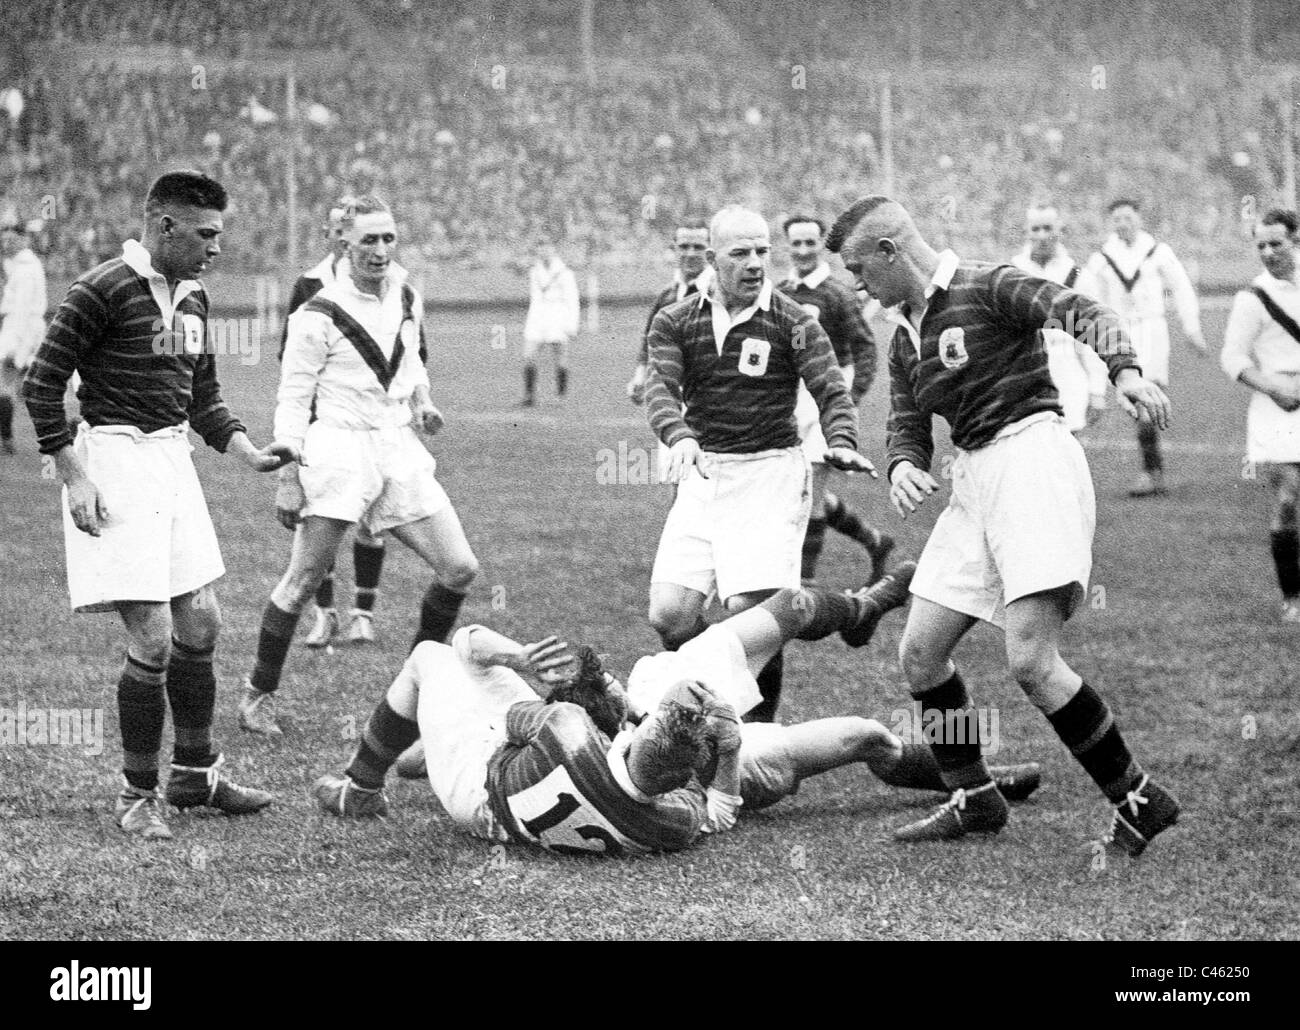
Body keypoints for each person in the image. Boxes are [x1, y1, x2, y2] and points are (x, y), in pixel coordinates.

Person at [828, 194, 1180, 856]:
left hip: (1032, 461)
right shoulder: (905, 331)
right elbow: (907, 421)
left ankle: (1138, 799)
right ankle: (975, 797)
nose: (855, 283)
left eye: (857, 268)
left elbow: (1079, 310)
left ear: (889, 251)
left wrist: (1126, 372)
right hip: (974, 482)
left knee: (1031, 662)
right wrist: (905, 464)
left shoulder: (985, 285)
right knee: (920, 653)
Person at [314, 574, 1046, 854]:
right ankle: (974, 779)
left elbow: (509, 701)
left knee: (443, 665)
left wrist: (519, 665)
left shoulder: (657, 807)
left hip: (505, 779)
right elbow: (720, 798)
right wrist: (724, 746)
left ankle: (368, 779)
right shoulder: (673, 803)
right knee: (869, 734)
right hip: (526, 776)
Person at [21, 170, 296, 840]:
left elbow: (203, 399)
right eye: (205, 234)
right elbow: (41, 382)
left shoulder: (196, 299)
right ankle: (137, 793)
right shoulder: (102, 287)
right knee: (152, 635)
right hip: (113, 462)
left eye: (219, 234)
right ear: (163, 223)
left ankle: (195, 775)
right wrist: (73, 475)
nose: (216, 247)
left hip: (174, 462)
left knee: (201, 621)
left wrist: (248, 452)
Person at [240, 195, 478, 737]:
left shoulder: (406, 295)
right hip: (337, 449)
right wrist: (287, 473)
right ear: (343, 244)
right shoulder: (315, 313)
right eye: (368, 240)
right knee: (302, 581)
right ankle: (258, 693)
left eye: (388, 238)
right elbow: (293, 399)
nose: (380, 250)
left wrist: (421, 401)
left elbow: (410, 359)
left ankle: (415, 690)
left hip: (395, 446)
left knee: (460, 567)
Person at [643, 204, 875, 727]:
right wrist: (677, 434)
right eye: (740, 253)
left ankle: (756, 732)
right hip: (705, 474)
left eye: (762, 252)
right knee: (670, 615)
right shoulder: (677, 319)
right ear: (712, 258)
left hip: (770, 473)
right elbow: (661, 388)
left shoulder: (794, 321)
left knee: (751, 610)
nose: (755, 263)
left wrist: (839, 439)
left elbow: (831, 391)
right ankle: (859, 607)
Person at [279, 198, 390, 649]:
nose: (347, 233)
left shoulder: (388, 284)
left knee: (371, 522)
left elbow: (411, 350)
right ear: (333, 236)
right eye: (339, 227)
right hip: (322, 425)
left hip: (374, 423)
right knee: (320, 524)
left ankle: (363, 613)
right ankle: (324, 615)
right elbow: (290, 358)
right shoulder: (309, 284)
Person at [779, 214, 893, 586]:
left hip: (826, 394)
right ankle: (875, 542)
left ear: (821, 243)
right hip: (791, 397)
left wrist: (849, 399)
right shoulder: (780, 292)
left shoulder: (837, 293)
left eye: (810, 242)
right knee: (798, 487)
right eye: (796, 243)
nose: (803, 250)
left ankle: (803, 582)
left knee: (810, 487)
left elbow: (864, 349)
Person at [1082, 199, 1206, 495]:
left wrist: (1192, 328)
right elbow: (1088, 297)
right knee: (1136, 403)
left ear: (1139, 218)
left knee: (1146, 400)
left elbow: (1181, 287)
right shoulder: (1101, 258)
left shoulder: (1158, 252)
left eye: (1127, 217)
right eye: (1117, 219)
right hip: (1120, 332)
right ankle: (1153, 471)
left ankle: (1151, 473)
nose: (1122, 223)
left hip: (1152, 330)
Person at [1220, 208, 1300, 623]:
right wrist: (1273, 386)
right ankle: (1293, 597)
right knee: (1290, 498)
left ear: (1295, 240)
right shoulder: (1252, 298)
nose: (1268, 252)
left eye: (1276, 243)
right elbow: (1231, 357)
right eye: (1261, 246)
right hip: (1278, 407)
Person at [1009, 203, 1109, 434]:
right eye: (1036, 229)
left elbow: (1092, 336)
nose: (1042, 236)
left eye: (1048, 228)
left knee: (1068, 449)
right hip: (1023, 371)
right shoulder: (1011, 272)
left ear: (1060, 231)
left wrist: (1097, 390)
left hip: (1067, 369)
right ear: (1026, 232)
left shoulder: (1078, 276)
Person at [625, 217, 714, 406]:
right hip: (672, 400)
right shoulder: (667, 296)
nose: (690, 253)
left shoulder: (722, 293)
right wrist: (640, 377)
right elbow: (650, 339)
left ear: (710, 251)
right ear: (674, 249)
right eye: (683, 246)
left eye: (698, 247)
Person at [0, 218, 47, 454]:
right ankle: (6, 438)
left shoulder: (27, 269)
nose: (5, 243)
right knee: (9, 387)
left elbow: (20, 311)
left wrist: (13, 349)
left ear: (22, 240)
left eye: (10, 239)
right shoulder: (22, 265)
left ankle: (7, 438)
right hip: (22, 328)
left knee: (4, 385)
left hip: (20, 330)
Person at [521, 240, 579, 407]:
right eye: (541, 250)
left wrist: (572, 325)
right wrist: (531, 319)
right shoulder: (534, 272)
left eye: (547, 249)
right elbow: (535, 297)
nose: (544, 253)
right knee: (528, 356)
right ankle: (529, 395)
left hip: (558, 316)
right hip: (538, 317)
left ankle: (561, 397)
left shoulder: (565, 273)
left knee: (560, 357)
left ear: (553, 251)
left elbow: (572, 299)